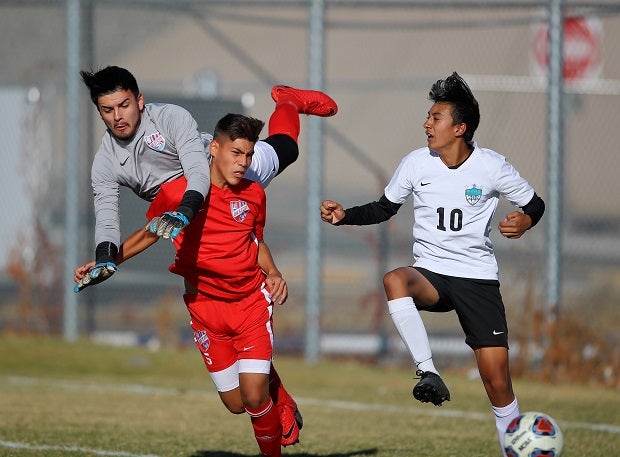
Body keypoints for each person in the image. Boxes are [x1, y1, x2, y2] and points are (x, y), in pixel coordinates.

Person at [320, 72, 545, 457]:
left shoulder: (491, 166)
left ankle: (518, 450)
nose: (427, 123)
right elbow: (383, 207)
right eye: (428, 116)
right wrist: (345, 216)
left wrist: (524, 220)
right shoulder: (415, 163)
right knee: (394, 279)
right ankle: (429, 371)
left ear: (460, 128)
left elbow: (534, 203)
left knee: (497, 383)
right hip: (432, 275)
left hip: (477, 280)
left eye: (436, 117)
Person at [77, 114, 301, 456]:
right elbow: (149, 233)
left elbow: (256, 241)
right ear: (213, 149)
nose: (243, 163)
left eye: (248, 155)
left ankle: (276, 423)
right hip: (205, 310)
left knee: (255, 397)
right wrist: (108, 260)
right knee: (237, 403)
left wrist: (273, 273)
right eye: (236, 153)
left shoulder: (254, 193)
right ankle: (279, 397)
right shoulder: (181, 193)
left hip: (249, 304)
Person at [76, 65, 337, 291]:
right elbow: (108, 218)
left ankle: (288, 100)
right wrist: (104, 258)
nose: (118, 116)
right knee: (197, 272)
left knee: (288, 149)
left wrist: (184, 212)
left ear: (139, 101)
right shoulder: (104, 163)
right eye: (108, 110)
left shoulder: (170, 118)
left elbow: (198, 173)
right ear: (100, 113)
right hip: (188, 211)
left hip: (224, 173)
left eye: (124, 105)